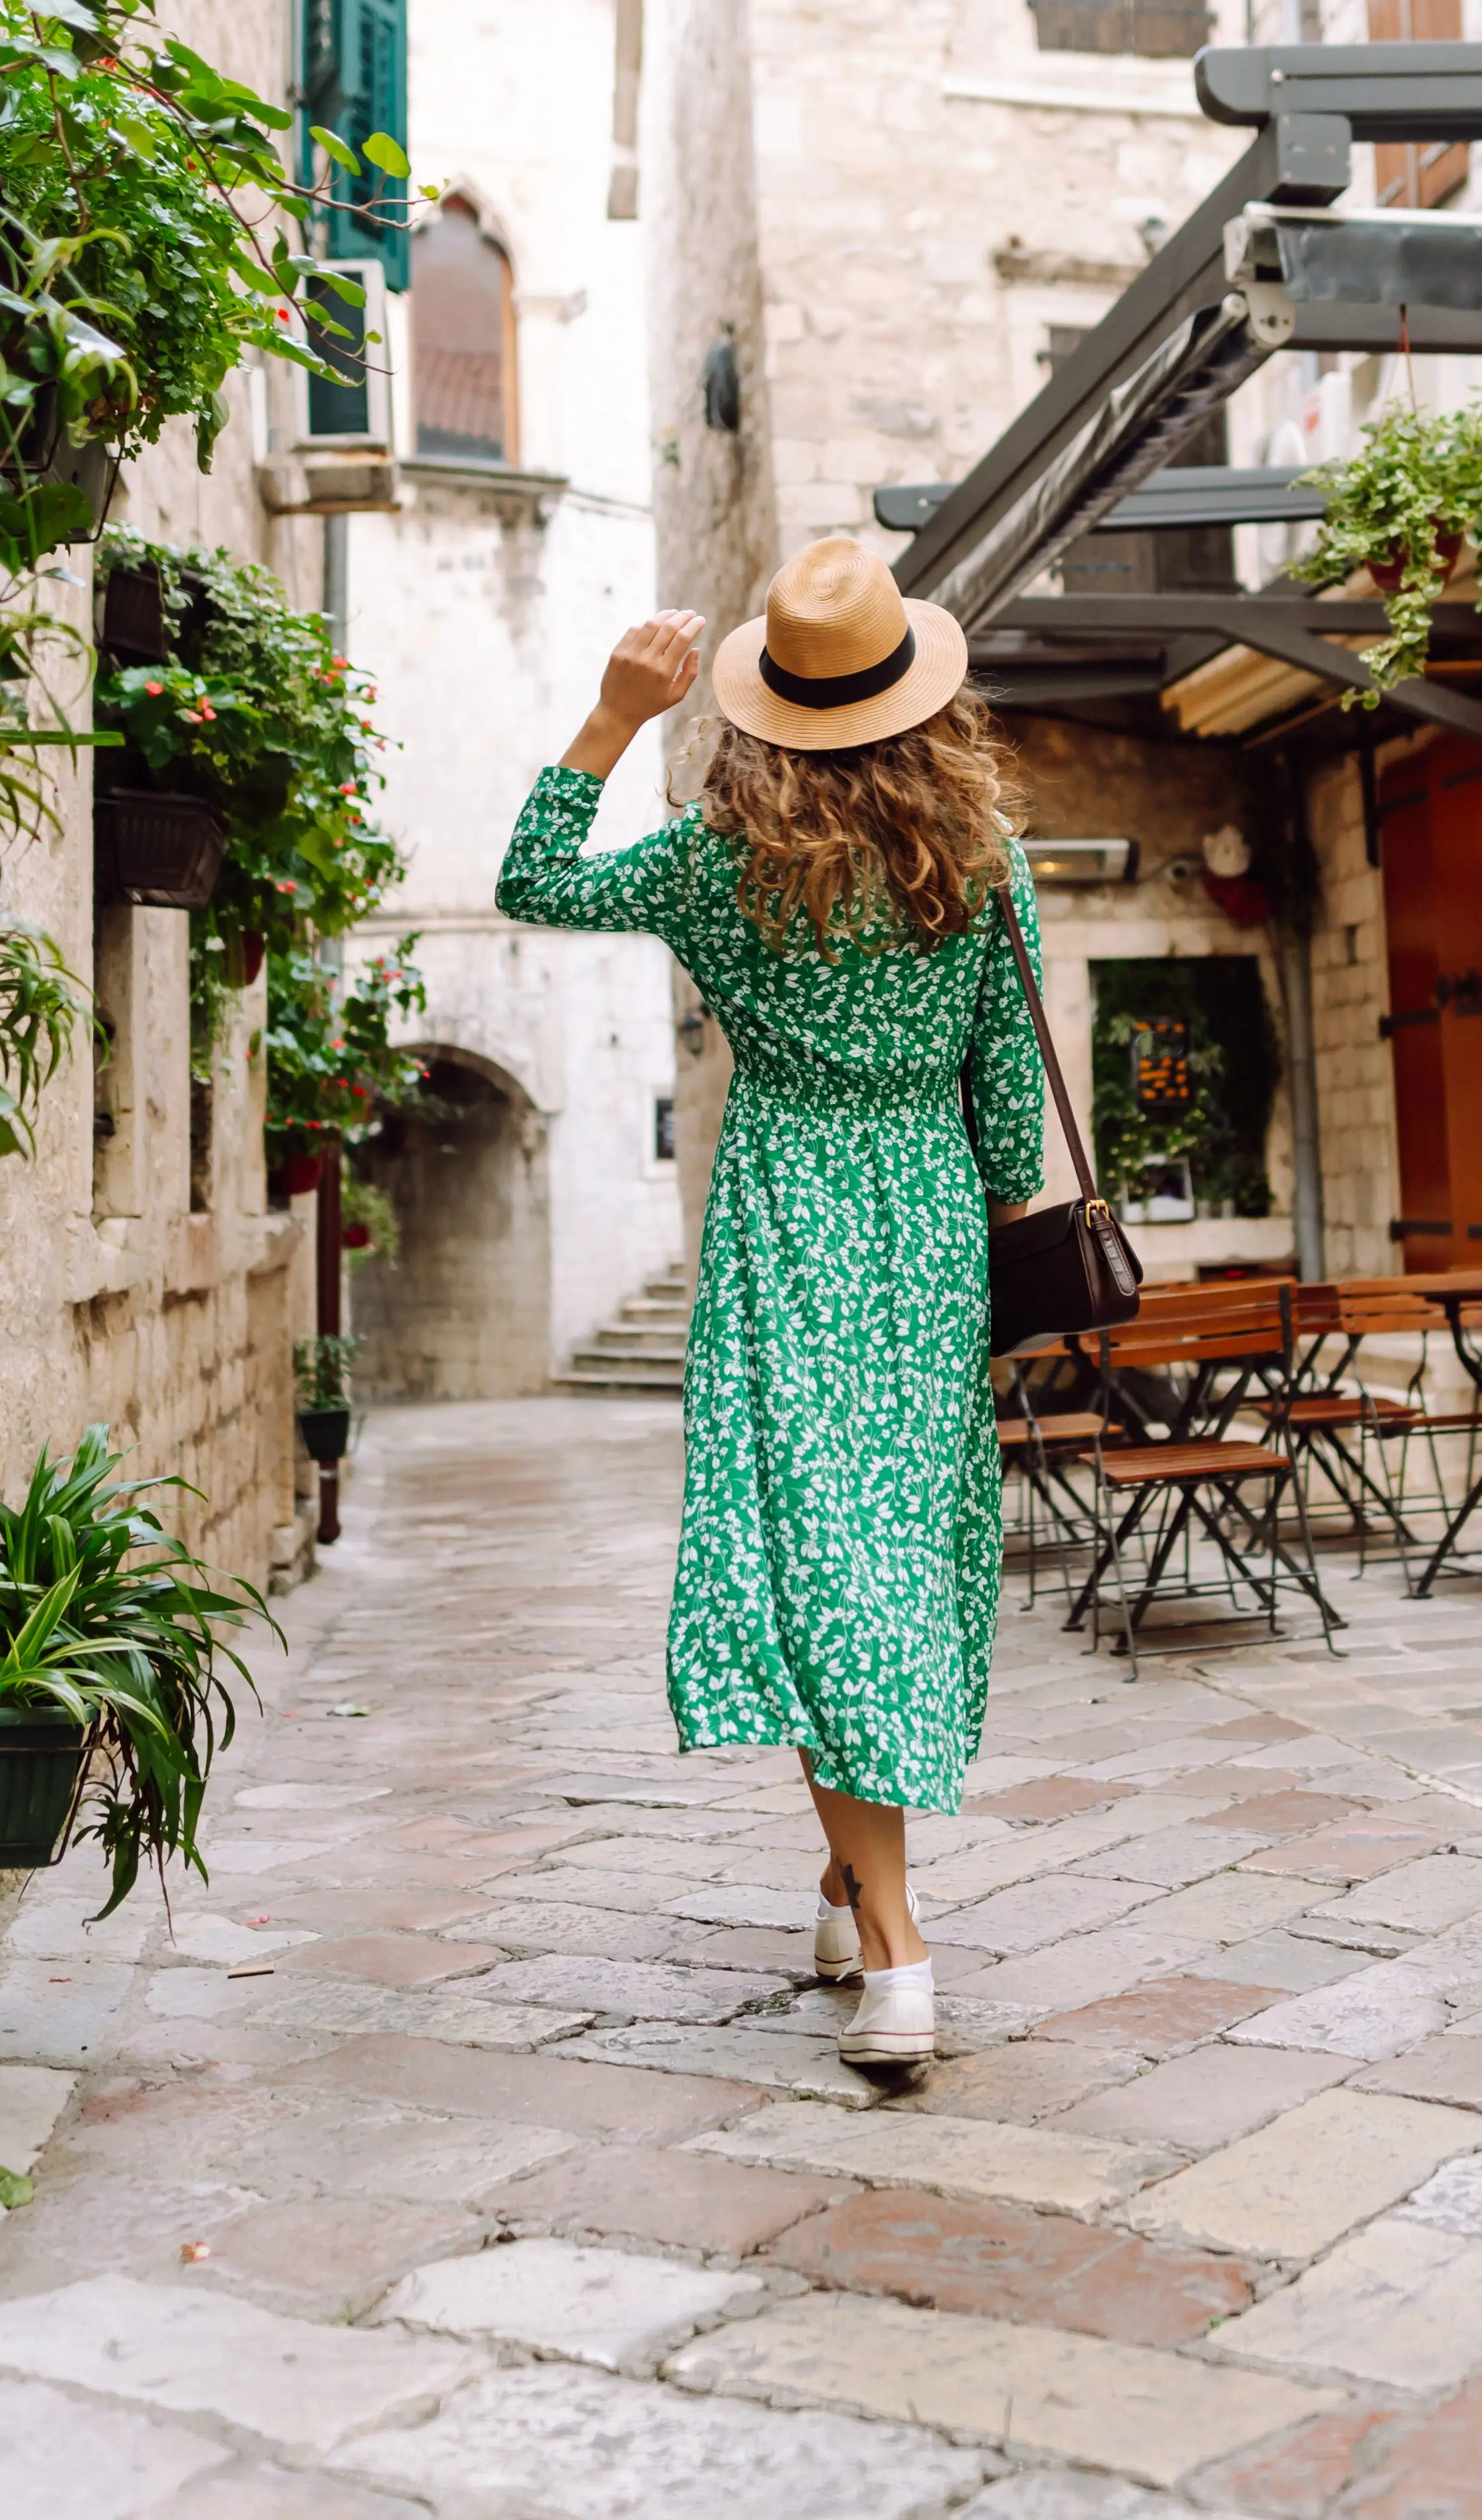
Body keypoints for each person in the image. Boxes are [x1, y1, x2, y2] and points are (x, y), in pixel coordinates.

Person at [494, 536, 1049, 2067]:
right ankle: (852, 1883)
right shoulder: (989, 852)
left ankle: (898, 1948)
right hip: (928, 1223)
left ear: (768, 708)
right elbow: (1012, 1098)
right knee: (886, 1559)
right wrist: (999, 1237)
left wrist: (612, 715)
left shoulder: (708, 855)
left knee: (816, 1557)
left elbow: (531, 878)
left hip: (785, 1209)